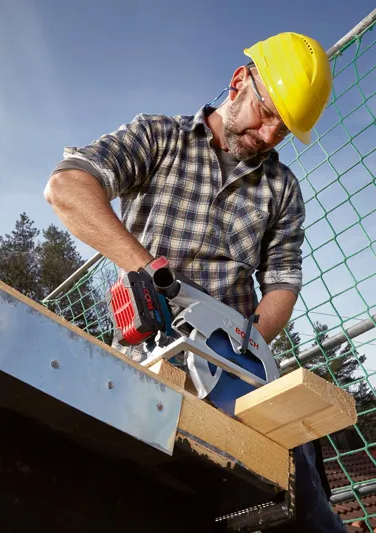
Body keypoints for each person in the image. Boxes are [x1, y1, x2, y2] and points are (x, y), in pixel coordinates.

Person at [44, 31, 347, 533]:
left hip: (232, 367)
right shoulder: (160, 136)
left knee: (298, 501)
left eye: (284, 130)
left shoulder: (282, 189)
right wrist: (148, 268)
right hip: (146, 360)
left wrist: (244, 346)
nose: (270, 134)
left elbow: (283, 282)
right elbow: (68, 187)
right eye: (266, 113)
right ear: (238, 82)